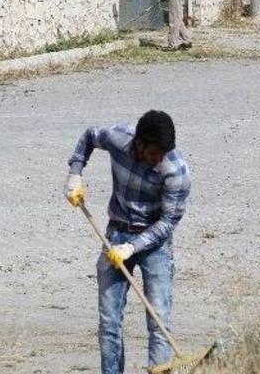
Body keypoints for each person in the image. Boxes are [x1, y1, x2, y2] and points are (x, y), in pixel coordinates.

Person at [65, 110, 192, 374]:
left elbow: (168, 222)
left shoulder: (176, 172)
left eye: (164, 153)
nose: (159, 159)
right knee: (109, 322)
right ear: (140, 143)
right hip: (116, 232)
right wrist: (75, 174)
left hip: (155, 243)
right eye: (154, 153)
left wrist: (132, 247)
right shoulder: (118, 138)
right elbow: (90, 135)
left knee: (159, 321)